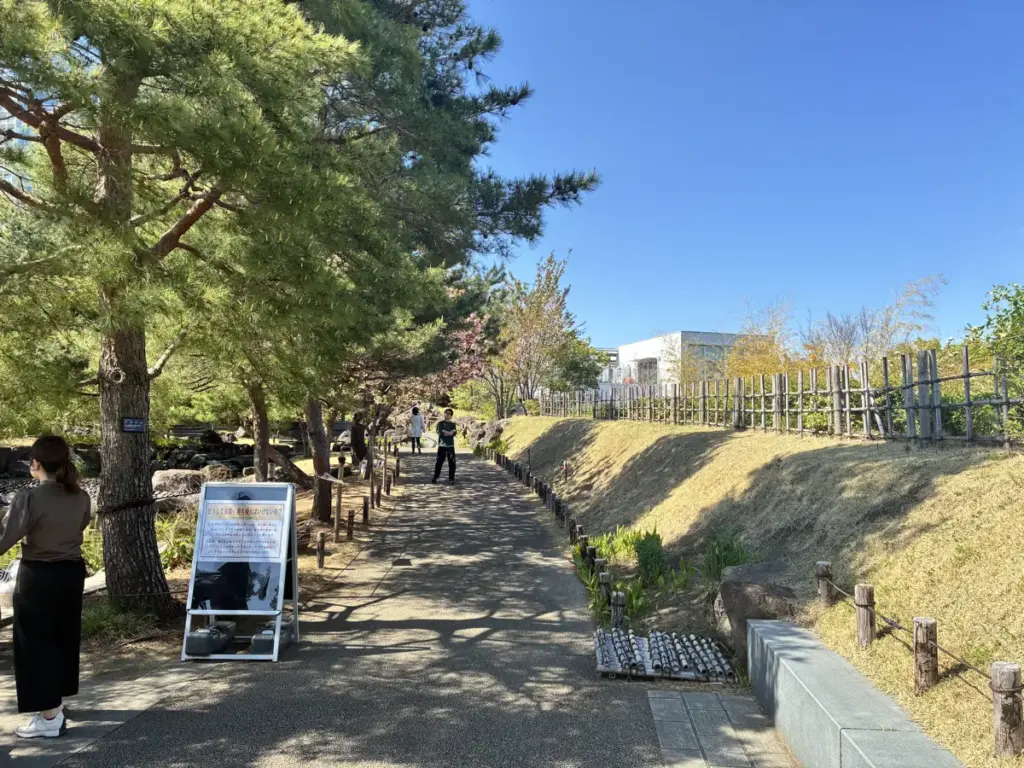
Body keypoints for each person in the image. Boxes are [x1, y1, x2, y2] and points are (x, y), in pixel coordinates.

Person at [0, 436, 91, 739]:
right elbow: (80, 526)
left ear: (35, 463)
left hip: (39, 573)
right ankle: (57, 701)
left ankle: (49, 716)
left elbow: (5, 538)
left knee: (34, 643)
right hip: (72, 572)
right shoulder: (81, 496)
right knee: (64, 636)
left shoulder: (29, 498)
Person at [432, 408, 458, 484]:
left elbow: (454, 433)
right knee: (439, 462)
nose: (447, 414)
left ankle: (451, 479)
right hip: (442, 445)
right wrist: (449, 433)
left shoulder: (453, 424)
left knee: (452, 463)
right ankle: (435, 477)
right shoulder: (440, 423)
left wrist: (448, 433)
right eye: (446, 413)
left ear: (451, 415)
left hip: (450, 446)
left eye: (449, 413)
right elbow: (441, 432)